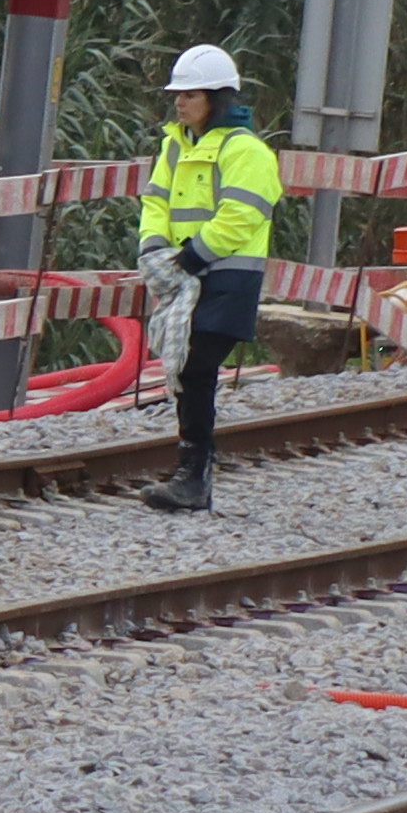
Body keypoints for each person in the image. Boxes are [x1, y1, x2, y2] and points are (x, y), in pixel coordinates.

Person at [132, 44, 282, 517]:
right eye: (177, 94)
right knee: (187, 369)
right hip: (185, 274)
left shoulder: (246, 151)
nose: (179, 102)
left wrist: (193, 255)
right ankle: (192, 473)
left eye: (190, 94)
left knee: (195, 366)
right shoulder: (175, 145)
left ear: (216, 98)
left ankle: (193, 474)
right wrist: (154, 247)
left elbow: (245, 213)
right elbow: (154, 201)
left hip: (227, 276)